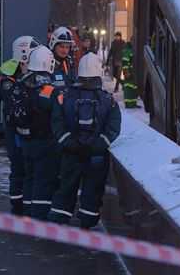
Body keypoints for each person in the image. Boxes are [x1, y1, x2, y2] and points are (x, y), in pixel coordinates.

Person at [49, 53, 121, 229]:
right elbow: (113, 127)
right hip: (96, 156)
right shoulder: (108, 100)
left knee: (66, 187)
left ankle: (60, 218)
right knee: (93, 189)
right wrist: (98, 145)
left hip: (70, 154)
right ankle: (87, 219)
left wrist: (70, 143)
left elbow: (57, 123)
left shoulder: (64, 96)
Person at [12, 45, 60, 219]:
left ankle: (27, 211)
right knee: (43, 179)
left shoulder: (20, 83)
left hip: (24, 139)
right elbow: (57, 110)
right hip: (45, 140)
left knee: (29, 176)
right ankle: (39, 215)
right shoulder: (48, 88)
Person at [0, 36, 41, 215]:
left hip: (25, 127)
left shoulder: (26, 72)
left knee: (27, 165)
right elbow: (12, 99)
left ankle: (25, 201)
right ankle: (17, 204)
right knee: (18, 164)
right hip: (14, 127)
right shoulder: (9, 76)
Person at [49, 26, 77, 91]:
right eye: (62, 46)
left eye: (67, 47)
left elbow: (73, 82)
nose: (65, 50)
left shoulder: (69, 63)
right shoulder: (46, 62)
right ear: (53, 45)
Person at [122, 42, 139, 109]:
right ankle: (129, 104)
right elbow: (125, 62)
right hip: (129, 72)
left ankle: (132, 104)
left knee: (132, 87)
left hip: (130, 71)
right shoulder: (127, 51)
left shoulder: (129, 51)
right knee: (129, 88)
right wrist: (127, 72)